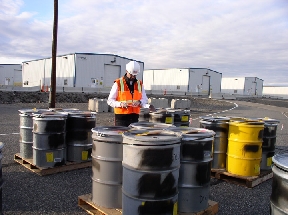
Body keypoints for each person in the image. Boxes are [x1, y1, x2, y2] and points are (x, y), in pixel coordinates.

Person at [107, 61, 156, 126]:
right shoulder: (118, 83)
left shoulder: (139, 84)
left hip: (134, 117)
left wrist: (140, 102)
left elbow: (145, 99)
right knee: (121, 135)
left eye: (135, 75)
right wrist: (120, 104)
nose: (133, 77)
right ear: (126, 71)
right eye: (131, 74)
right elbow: (110, 101)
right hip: (121, 117)